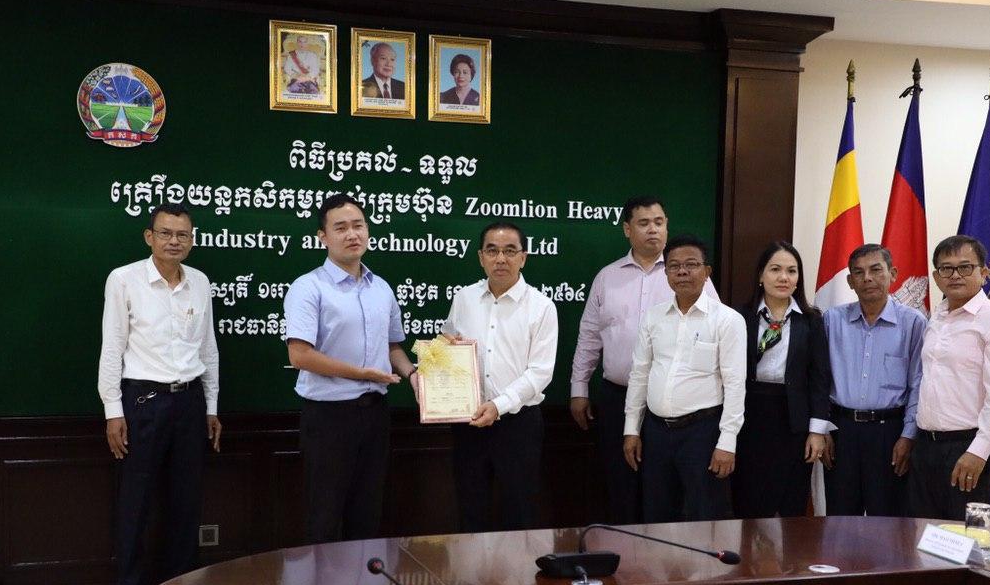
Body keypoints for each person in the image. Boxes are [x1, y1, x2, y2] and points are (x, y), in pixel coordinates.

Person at [98, 204, 222, 585]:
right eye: (165, 233)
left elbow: (208, 347)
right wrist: (113, 410)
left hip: (189, 402)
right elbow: (112, 347)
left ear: (192, 240)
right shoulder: (124, 279)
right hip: (143, 402)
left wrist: (211, 405)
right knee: (136, 502)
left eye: (182, 235)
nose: (174, 241)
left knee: (186, 501)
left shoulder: (200, 282)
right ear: (149, 237)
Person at [570, 196, 719, 524]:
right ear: (627, 229)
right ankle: (625, 552)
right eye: (644, 223)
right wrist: (579, 388)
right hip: (617, 397)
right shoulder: (607, 277)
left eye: (659, 222)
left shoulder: (689, 275)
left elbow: (716, 331)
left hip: (671, 406)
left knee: (666, 494)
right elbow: (589, 337)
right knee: (621, 484)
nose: (653, 229)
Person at [283, 194, 416, 543]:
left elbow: (393, 348)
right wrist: (364, 374)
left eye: (358, 225)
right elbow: (300, 355)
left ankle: (362, 581)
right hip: (329, 417)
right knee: (324, 516)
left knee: (367, 513)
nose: (352, 234)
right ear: (323, 237)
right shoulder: (308, 287)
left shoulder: (381, 288)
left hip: (375, 415)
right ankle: (323, 582)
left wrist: (413, 374)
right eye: (340, 228)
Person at [442, 222, 558, 531]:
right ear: (481, 257)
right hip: (469, 423)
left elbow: (540, 372)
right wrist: (442, 353)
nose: (501, 259)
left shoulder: (542, 307)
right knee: (470, 509)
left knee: (519, 512)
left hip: (518, 425)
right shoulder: (464, 298)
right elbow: (447, 343)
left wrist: (499, 405)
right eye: (492, 251)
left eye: (510, 251)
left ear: (524, 257)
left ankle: (518, 567)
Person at [623, 235, 746, 523]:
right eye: (674, 266)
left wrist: (727, 442)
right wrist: (631, 429)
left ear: (707, 271)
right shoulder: (654, 317)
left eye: (691, 265)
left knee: (705, 516)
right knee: (656, 514)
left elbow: (735, 384)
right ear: (666, 273)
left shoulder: (727, 320)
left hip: (702, 433)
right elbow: (640, 374)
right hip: (656, 432)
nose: (682, 272)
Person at [908, 236, 990, 520]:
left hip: (966, 446)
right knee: (922, 532)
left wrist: (979, 451)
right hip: (925, 445)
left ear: (984, 272)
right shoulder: (937, 317)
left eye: (965, 267)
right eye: (946, 268)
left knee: (964, 537)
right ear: (936, 277)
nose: (955, 275)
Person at [822, 244, 926, 516]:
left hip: (889, 433)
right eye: (859, 272)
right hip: (841, 432)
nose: (867, 278)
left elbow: (918, 384)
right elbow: (819, 380)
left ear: (893, 274)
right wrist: (823, 429)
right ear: (850, 281)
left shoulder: (913, 323)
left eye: (876, 270)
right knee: (840, 521)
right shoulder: (832, 320)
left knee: (888, 522)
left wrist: (908, 436)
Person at [732, 241, 831, 519]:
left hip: (794, 421)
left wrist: (817, 431)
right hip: (749, 417)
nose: (783, 277)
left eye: (791, 271)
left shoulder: (811, 320)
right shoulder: (740, 317)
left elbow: (820, 378)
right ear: (761, 275)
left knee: (790, 505)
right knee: (749, 502)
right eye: (775, 269)